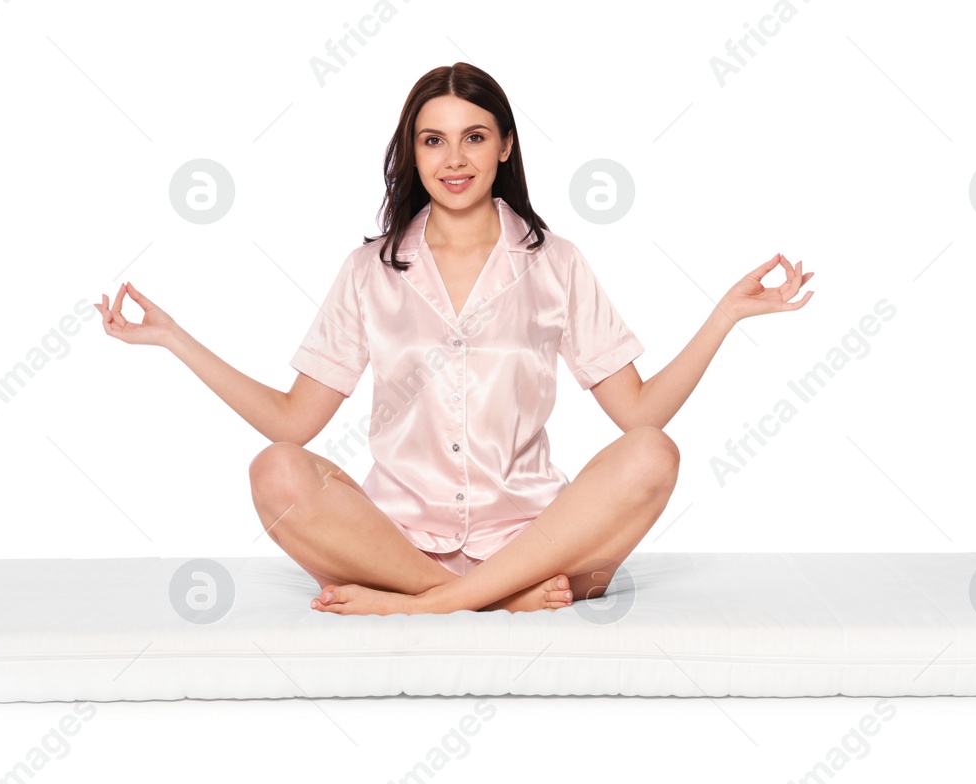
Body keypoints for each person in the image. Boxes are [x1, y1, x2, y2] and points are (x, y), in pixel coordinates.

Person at [93, 62, 814, 616]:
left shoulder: (555, 261)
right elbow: (294, 421)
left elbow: (639, 416)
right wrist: (173, 338)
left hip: (538, 542)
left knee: (653, 453)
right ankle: (484, 601)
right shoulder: (369, 270)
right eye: (433, 139)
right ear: (413, 151)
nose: (454, 158)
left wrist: (725, 315)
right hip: (397, 544)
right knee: (275, 470)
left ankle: (429, 608)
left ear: (504, 145)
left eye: (474, 136)